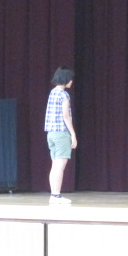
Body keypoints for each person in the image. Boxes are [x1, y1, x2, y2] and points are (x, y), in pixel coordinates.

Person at [44, 66, 77, 205]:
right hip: (61, 133)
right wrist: (73, 134)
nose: (71, 81)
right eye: (70, 79)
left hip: (51, 133)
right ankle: (56, 195)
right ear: (65, 79)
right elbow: (66, 116)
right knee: (60, 166)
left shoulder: (53, 92)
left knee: (55, 165)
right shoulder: (64, 95)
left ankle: (54, 195)